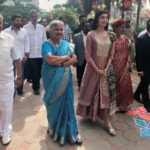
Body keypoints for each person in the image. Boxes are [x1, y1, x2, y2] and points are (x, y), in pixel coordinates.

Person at [41, 20, 82, 146]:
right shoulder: (46, 44)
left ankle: (72, 132)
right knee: (53, 102)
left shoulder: (67, 44)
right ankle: (53, 127)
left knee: (68, 104)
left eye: (61, 29)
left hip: (65, 78)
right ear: (50, 31)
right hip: (50, 77)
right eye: (56, 29)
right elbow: (49, 59)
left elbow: (75, 59)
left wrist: (64, 62)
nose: (59, 32)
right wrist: (65, 58)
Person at [76, 10, 116, 136]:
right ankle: (90, 114)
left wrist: (106, 68)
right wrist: (98, 69)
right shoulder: (91, 35)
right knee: (91, 91)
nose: (104, 20)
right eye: (102, 17)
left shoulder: (111, 35)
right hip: (92, 69)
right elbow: (88, 55)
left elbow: (111, 54)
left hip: (105, 70)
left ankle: (107, 121)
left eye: (106, 18)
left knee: (105, 94)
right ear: (97, 19)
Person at [0, 14, 22, 145]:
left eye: (1, 22)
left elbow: (17, 59)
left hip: (6, 81)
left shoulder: (9, 38)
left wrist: (19, 76)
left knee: (6, 107)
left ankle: (5, 132)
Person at [112, 19, 134, 112]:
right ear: (115, 28)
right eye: (121, 27)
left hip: (124, 67)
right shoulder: (111, 38)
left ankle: (123, 105)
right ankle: (114, 106)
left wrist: (130, 62)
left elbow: (130, 51)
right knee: (115, 87)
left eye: (124, 27)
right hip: (114, 66)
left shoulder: (125, 39)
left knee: (125, 85)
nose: (123, 29)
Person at [4, 14, 29, 96]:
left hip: (21, 58)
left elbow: (27, 43)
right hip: (9, 59)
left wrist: (26, 54)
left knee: (20, 74)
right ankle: (12, 92)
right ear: (12, 21)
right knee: (11, 76)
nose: (19, 22)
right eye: (17, 21)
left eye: (20, 21)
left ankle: (20, 90)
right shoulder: (5, 32)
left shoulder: (24, 32)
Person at [24, 9, 46, 95]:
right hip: (31, 54)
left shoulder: (41, 27)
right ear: (29, 17)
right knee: (34, 71)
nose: (34, 18)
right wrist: (25, 52)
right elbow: (24, 41)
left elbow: (44, 40)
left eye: (36, 16)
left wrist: (45, 52)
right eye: (33, 16)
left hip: (40, 53)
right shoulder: (25, 28)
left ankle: (37, 83)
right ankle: (36, 88)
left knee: (40, 71)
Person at [134, 19, 150, 112]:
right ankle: (147, 104)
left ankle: (136, 95)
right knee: (145, 85)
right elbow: (139, 56)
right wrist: (139, 70)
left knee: (145, 83)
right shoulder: (141, 39)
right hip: (144, 67)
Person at [73, 21, 91, 89]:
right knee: (80, 74)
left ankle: (87, 88)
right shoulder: (76, 36)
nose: (88, 28)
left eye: (89, 26)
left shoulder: (92, 35)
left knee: (88, 75)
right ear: (82, 27)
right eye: (86, 26)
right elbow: (74, 48)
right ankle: (80, 87)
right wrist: (74, 60)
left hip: (90, 59)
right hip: (80, 59)